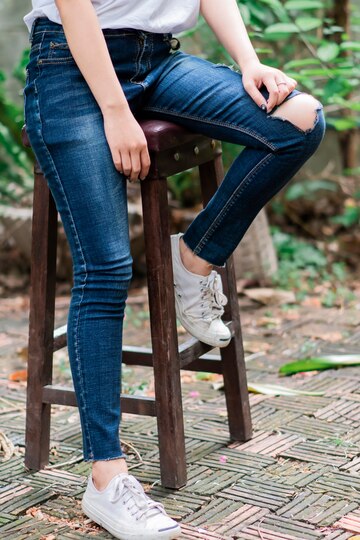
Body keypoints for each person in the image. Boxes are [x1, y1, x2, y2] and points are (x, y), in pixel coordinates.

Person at [23, 0, 326, 538]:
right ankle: (107, 477)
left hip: (159, 62)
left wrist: (249, 60)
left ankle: (193, 257)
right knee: (107, 268)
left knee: (299, 120)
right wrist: (116, 114)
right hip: (70, 67)